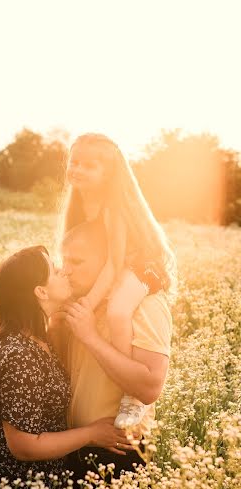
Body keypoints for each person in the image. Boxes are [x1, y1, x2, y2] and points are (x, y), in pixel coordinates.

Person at [55, 218, 173, 489]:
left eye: (78, 262)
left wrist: (89, 335)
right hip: (73, 448)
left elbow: (149, 385)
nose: (67, 270)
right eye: (64, 260)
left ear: (108, 263)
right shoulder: (79, 304)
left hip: (118, 454)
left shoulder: (145, 306)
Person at [0, 245, 135, 484]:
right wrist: (92, 434)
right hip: (13, 488)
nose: (65, 272)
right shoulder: (19, 354)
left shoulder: (40, 340)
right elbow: (23, 446)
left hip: (40, 484)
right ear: (41, 292)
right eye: (56, 271)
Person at [62, 133, 176, 429]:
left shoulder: (112, 208)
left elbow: (114, 263)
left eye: (90, 165)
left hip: (141, 268)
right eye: (74, 162)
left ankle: (130, 397)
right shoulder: (81, 205)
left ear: (108, 172)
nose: (78, 170)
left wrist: (90, 301)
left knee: (117, 311)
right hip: (121, 269)